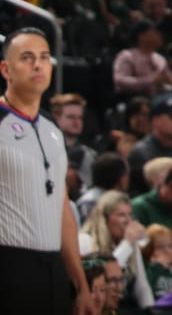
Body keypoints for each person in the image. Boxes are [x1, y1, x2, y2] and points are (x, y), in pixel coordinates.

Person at [1, 28, 100, 315]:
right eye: (27, 57)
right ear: (6, 69)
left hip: (53, 268)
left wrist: (80, 284)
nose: (38, 65)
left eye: (44, 57)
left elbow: (63, 210)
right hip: (9, 265)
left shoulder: (52, 129)